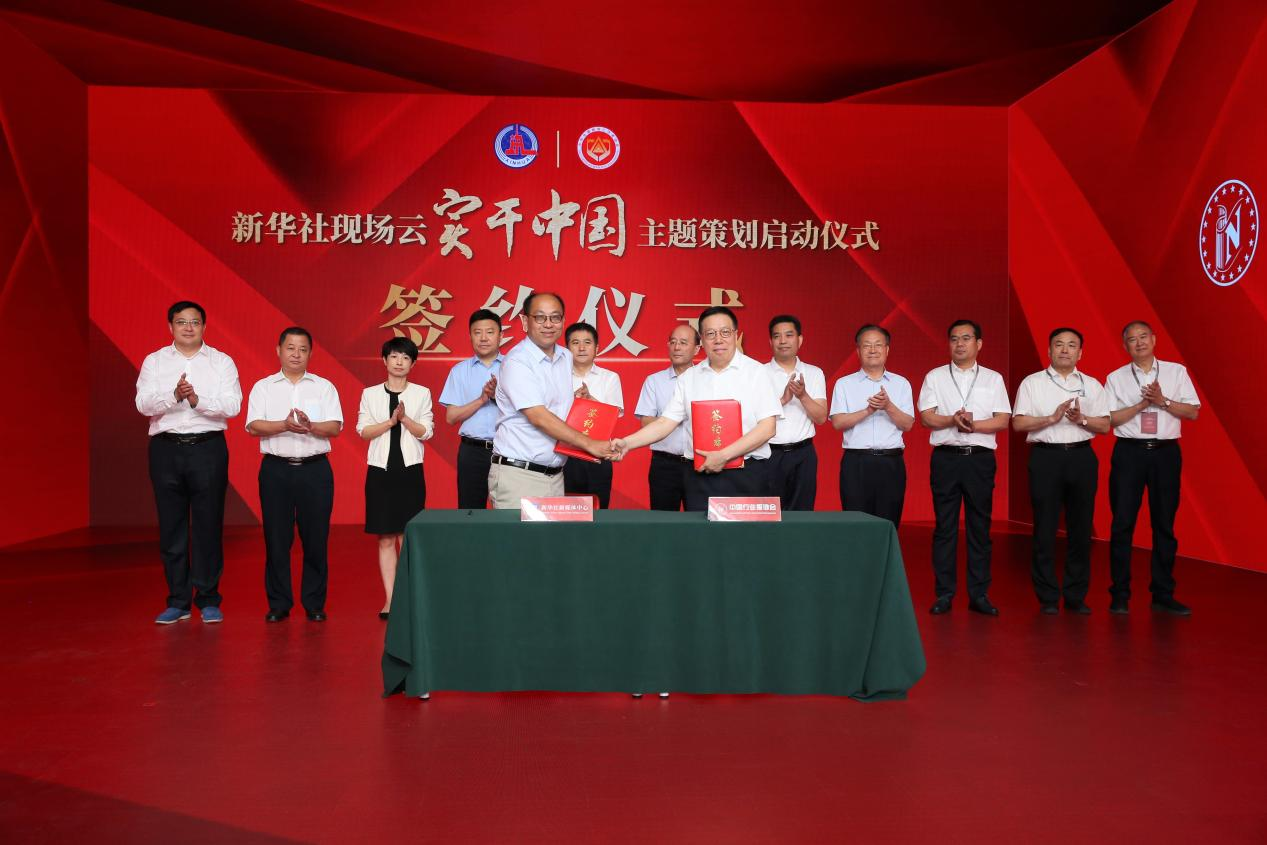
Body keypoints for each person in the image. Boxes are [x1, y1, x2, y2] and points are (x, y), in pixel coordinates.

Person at [612, 306, 781, 511]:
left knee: (747, 533)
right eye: (710, 334)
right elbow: (665, 423)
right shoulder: (689, 378)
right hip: (700, 476)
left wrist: (724, 455)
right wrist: (627, 443)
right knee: (698, 531)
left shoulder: (757, 373)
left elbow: (768, 428)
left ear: (735, 335)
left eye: (725, 332)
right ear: (702, 340)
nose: (718, 339)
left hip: (748, 475)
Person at [136, 301, 242, 625]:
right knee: (172, 527)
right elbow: (142, 404)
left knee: (208, 525)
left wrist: (197, 400)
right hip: (166, 450)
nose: (188, 327)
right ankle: (178, 601)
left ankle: (208, 599)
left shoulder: (221, 361)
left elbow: (233, 405)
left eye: (195, 322)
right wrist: (174, 396)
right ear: (170, 326)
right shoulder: (155, 361)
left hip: (207, 448)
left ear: (204, 327)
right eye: (181, 322)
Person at [245, 327, 343, 622]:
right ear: (279, 350)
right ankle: (279, 603)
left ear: (310, 353)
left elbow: (335, 427)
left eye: (302, 349)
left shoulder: (324, 387)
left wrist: (311, 426)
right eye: (290, 348)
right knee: (277, 539)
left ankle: (314, 604)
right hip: (276, 470)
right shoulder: (264, 387)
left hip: (315, 470)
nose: (296, 354)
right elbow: (253, 426)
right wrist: (284, 425)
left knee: (316, 539)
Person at [1012, 328, 1110, 615]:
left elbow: (1105, 426)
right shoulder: (1032, 383)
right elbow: (1018, 423)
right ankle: (1047, 597)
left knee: (1081, 529)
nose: (1065, 350)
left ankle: (1076, 595)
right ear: (1049, 350)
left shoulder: (1092, 385)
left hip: (1081, 457)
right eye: (1059, 345)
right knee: (1044, 529)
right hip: (1046, 458)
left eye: (1071, 345)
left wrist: (1082, 419)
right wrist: (1051, 418)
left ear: (1080, 353)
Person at [1105, 321, 1200, 616]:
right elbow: (1109, 419)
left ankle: (1162, 594)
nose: (1139, 343)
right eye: (1132, 339)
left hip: (1165, 454)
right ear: (1125, 346)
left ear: (1154, 339)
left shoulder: (1176, 372)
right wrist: (1140, 405)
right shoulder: (1116, 377)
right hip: (1129, 453)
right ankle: (1120, 595)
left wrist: (1162, 401)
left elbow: (1192, 412)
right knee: (1122, 524)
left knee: (1164, 524)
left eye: (1143, 336)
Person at [918, 319, 1012, 616]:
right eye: (954, 339)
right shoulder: (935, 376)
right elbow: (926, 417)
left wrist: (973, 426)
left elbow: (1002, 420)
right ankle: (944, 594)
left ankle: (979, 594)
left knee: (979, 528)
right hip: (945, 458)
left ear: (978, 344)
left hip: (979, 460)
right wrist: (952, 420)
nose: (959, 344)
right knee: (944, 528)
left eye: (966, 338)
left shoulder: (993, 379)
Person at [488, 292, 613, 509]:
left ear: (563, 321)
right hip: (519, 475)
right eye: (540, 317)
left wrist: (577, 403)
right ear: (525, 321)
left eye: (555, 317)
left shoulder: (565, 357)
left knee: (552, 534)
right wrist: (589, 443)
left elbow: (556, 406)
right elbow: (539, 417)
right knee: (520, 534)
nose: (548, 324)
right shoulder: (517, 361)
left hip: (555, 476)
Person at [357, 337, 434, 620]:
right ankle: (390, 599)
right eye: (394, 356)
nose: (399, 362)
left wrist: (405, 420)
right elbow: (363, 431)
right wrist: (390, 422)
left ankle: (410, 597)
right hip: (380, 472)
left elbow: (427, 431)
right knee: (385, 538)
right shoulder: (370, 394)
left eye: (405, 357)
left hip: (410, 471)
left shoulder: (421, 393)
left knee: (407, 536)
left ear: (413, 364)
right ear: (384, 360)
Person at [829, 324, 914, 526]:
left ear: (887, 349)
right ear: (858, 351)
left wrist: (888, 406)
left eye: (878, 345)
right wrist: (868, 410)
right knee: (855, 524)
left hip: (891, 463)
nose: (873, 350)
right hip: (856, 463)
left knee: (888, 523)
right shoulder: (844, 384)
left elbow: (908, 424)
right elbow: (838, 423)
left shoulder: (901, 383)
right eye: (867, 345)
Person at [438, 309, 503, 508]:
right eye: (477, 332)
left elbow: (526, 411)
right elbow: (451, 417)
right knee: (470, 511)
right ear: (470, 336)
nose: (483, 338)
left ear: (500, 336)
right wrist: (482, 399)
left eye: (490, 332)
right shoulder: (459, 371)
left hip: (508, 449)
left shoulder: (514, 367)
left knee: (508, 512)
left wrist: (497, 397)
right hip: (472, 451)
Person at [634, 324, 701, 510]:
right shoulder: (654, 381)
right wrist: (674, 420)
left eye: (683, 343)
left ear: (697, 349)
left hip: (699, 464)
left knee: (700, 519)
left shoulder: (706, 380)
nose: (677, 347)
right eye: (673, 342)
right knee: (662, 520)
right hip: (665, 464)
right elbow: (646, 421)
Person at [765, 315, 828, 510]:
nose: (783, 341)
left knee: (803, 514)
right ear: (770, 341)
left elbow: (821, 418)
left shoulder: (814, 373)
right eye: (777, 336)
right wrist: (783, 400)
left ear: (800, 340)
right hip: (768, 454)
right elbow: (750, 418)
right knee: (769, 513)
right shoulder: (758, 373)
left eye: (789, 335)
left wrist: (802, 395)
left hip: (803, 454)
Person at [563, 322, 624, 508]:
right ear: (566, 349)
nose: (581, 348)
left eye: (587, 342)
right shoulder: (557, 377)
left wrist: (590, 401)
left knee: (598, 511)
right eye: (575, 343)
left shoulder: (610, 377)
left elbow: (613, 415)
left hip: (599, 454)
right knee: (565, 511)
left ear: (597, 348)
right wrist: (572, 402)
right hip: (565, 454)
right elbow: (548, 415)